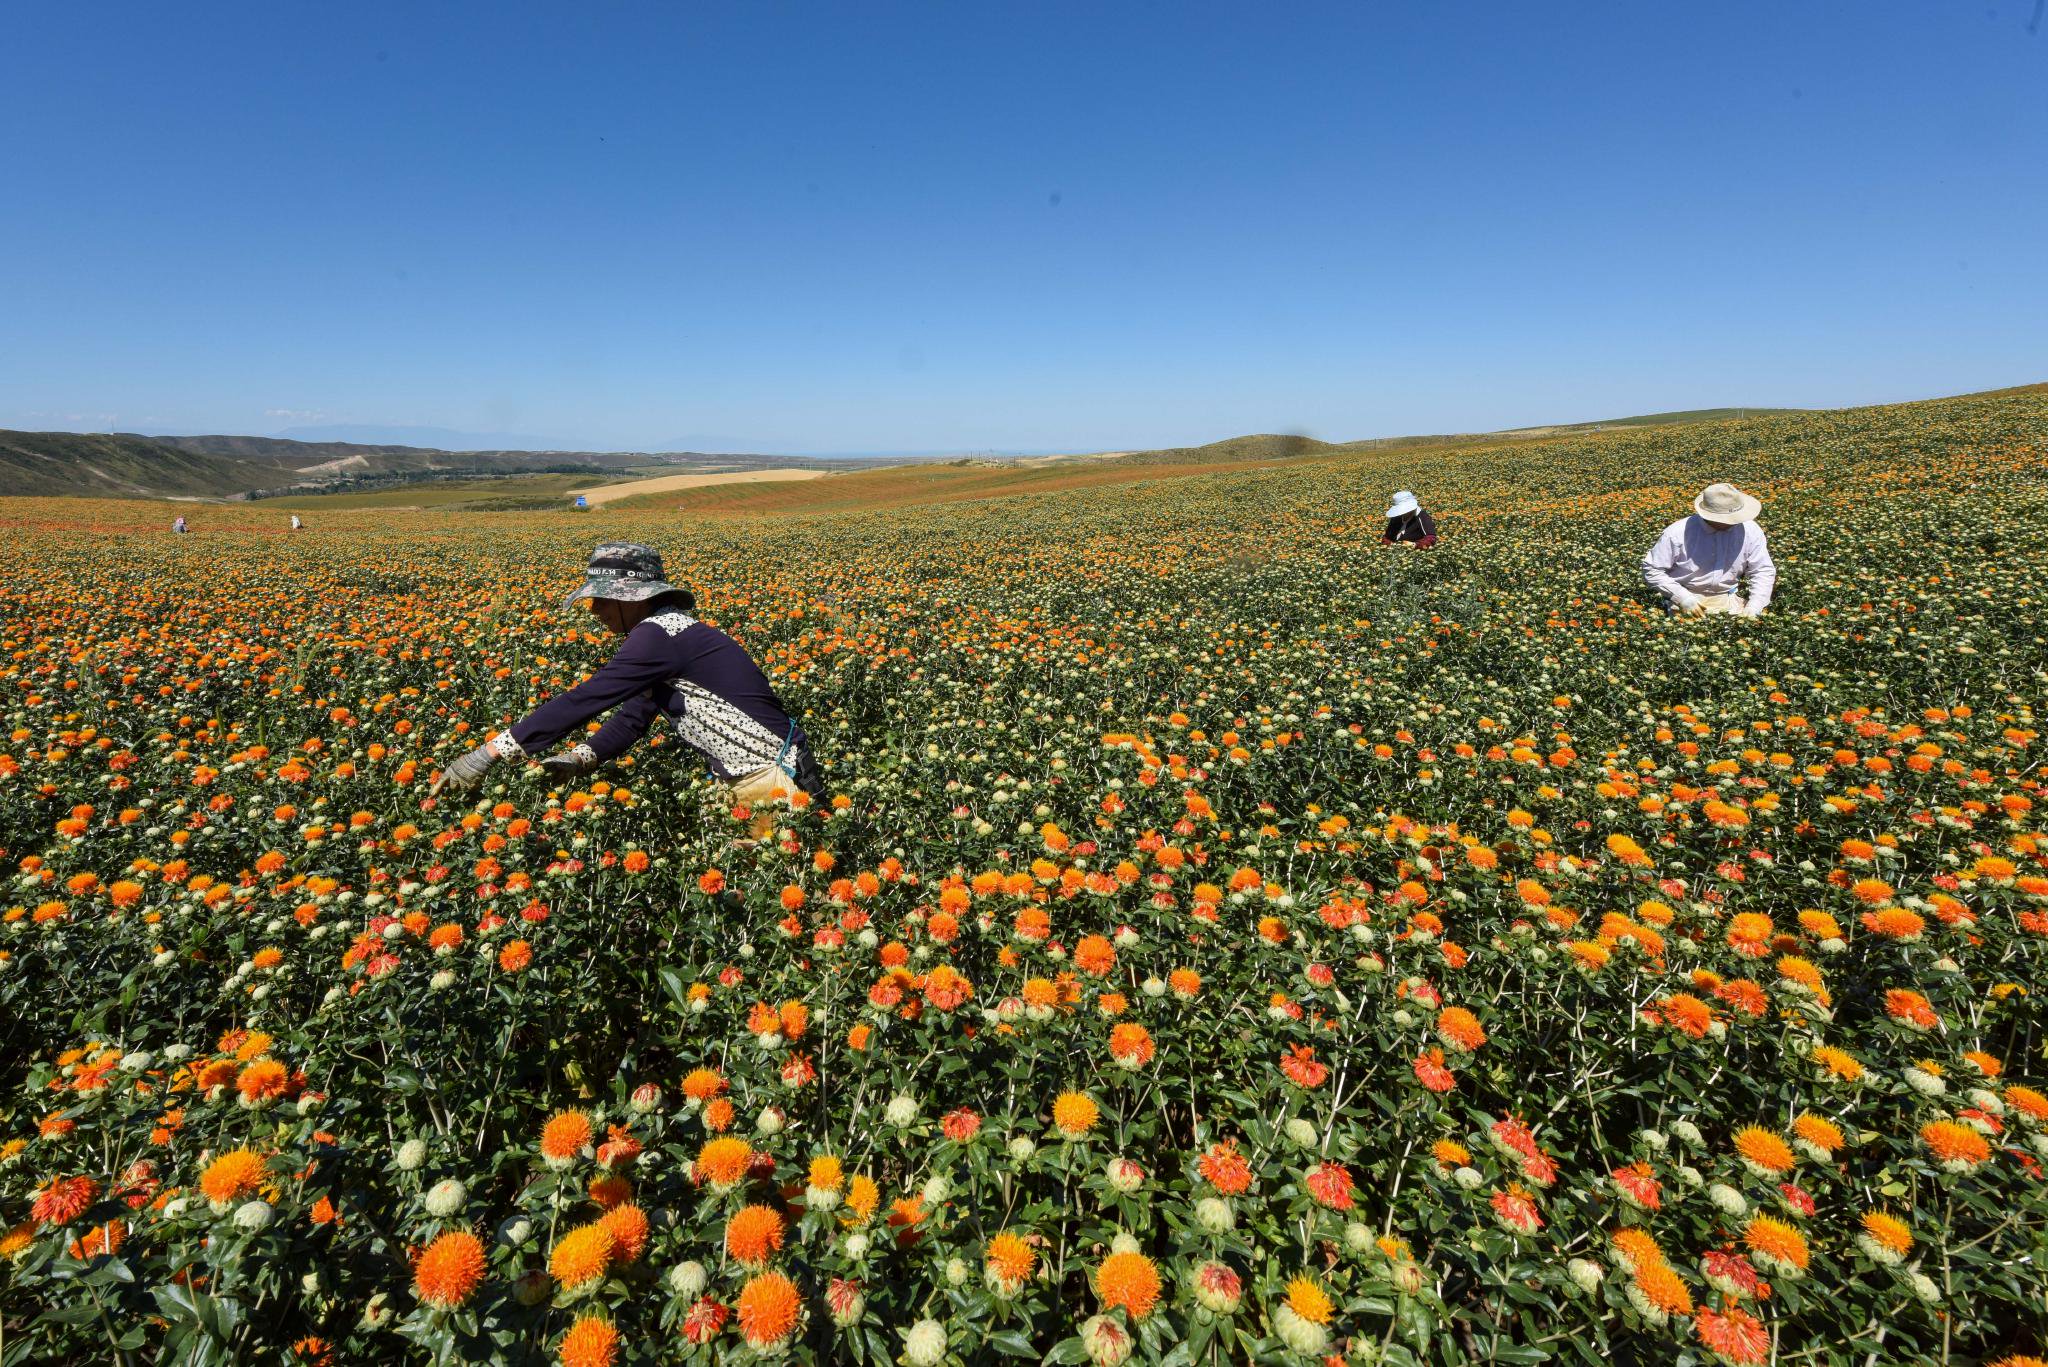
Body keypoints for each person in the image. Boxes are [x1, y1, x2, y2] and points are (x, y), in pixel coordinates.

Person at [430, 542, 824, 835]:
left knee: (774, 889)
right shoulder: (666, 634)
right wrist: (582, 758)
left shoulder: (658, 637)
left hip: (770, 777)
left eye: (602, 600)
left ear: (631, 600)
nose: (595, 611)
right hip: (747, 774)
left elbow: (588, 697)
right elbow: (636, 713)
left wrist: (489, 753)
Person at [1642, 482, 1776, 617]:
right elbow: (1652, 569)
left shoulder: (1750, 530)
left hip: (1727, 599)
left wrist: (1755, 606)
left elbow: (1762, 570)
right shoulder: (1677, 533)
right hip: (1686, 597)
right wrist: (1681, 597)